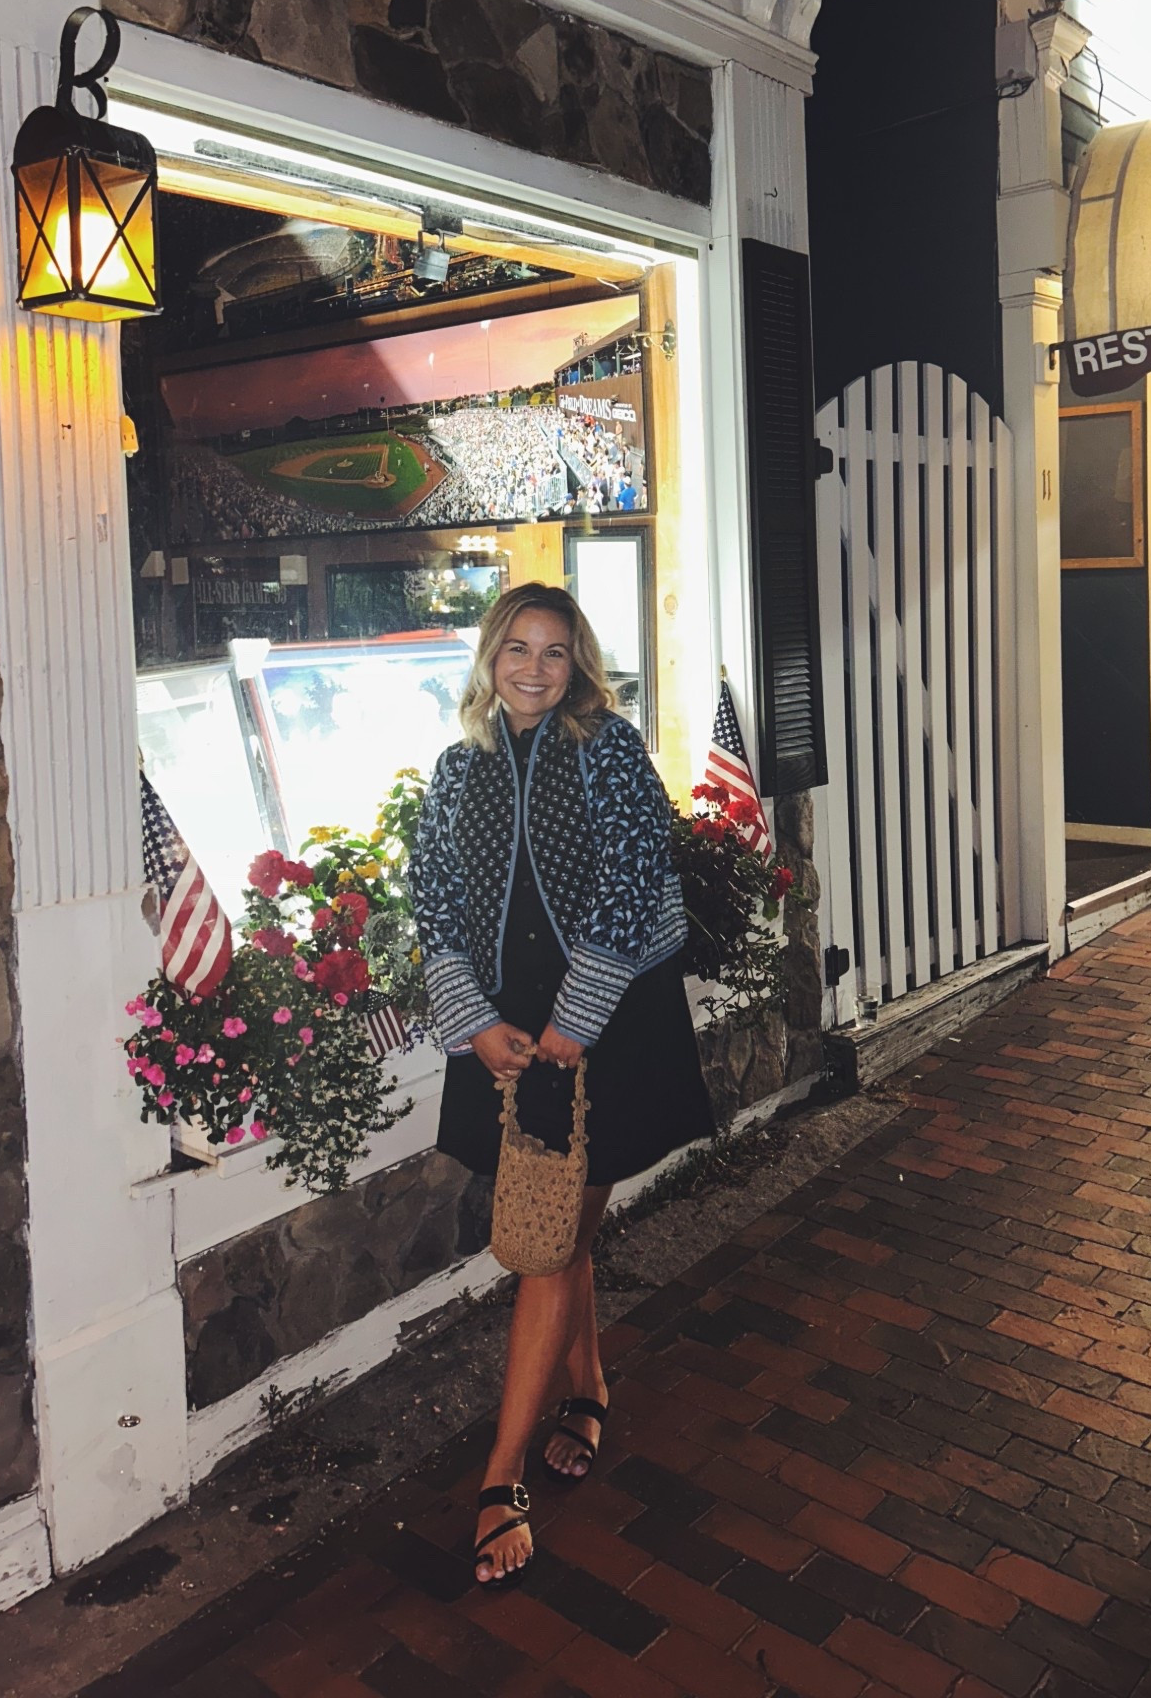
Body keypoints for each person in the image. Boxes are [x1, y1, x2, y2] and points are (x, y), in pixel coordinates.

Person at [410, 582, 715, 1589]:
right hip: (503, 1025)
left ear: (577, 662)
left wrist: (570, 1024)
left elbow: (633, 887)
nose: (534, 667)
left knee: (551, 1238)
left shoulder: (609, 750)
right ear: (489, 660)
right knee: (561, 1223)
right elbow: (436, 901)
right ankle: (586, 1384)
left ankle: (500, 1478)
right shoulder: (457, 770)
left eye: (554, 650)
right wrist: (472, 1018)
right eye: (515, 648)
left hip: (606, 1015)